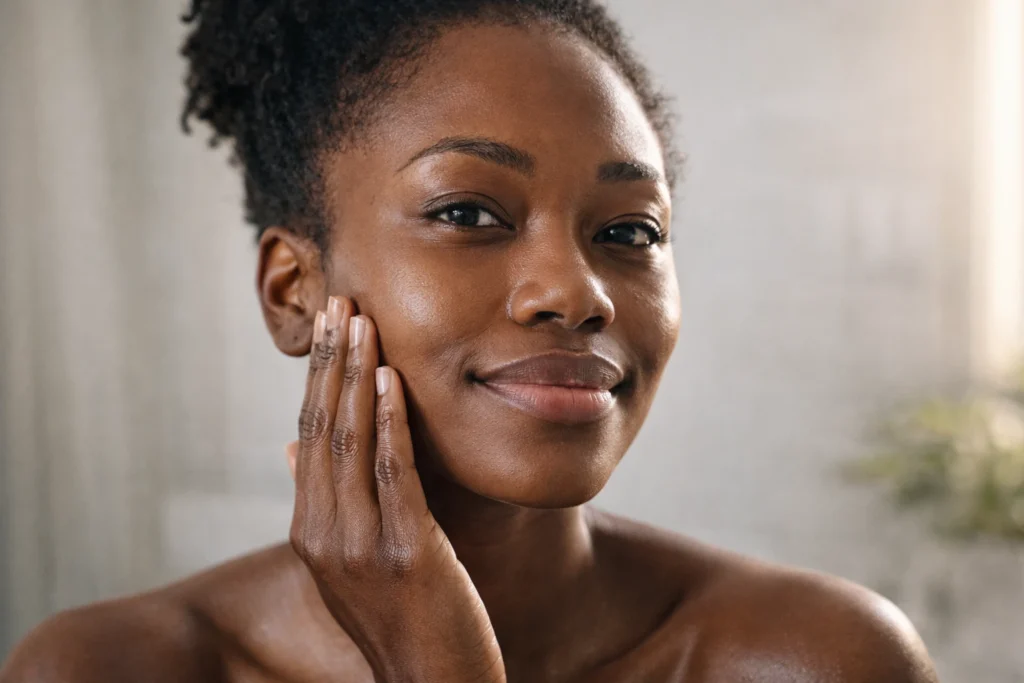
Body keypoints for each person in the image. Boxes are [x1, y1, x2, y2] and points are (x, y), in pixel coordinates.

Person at [1, 1, 940, 681]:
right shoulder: (111, 668)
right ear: (296, 292)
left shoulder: (815, 660)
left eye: (631, 231)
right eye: (469, 212)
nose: (577, 292)